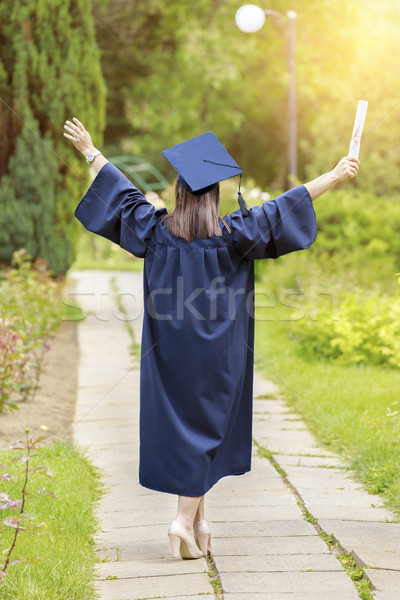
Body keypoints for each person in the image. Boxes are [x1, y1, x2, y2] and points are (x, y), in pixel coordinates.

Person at [63, 117, 359, 560]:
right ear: (214, 195)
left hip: (170, 355)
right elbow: (286, 205)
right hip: (222, 354)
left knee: (189, 429)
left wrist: (90, 151)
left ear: (181, 192)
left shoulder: (156, 231)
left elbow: (124, 195)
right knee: (210, 428)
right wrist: (335, 175)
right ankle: (182, 520)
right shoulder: (234, 234)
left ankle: (199, 520)